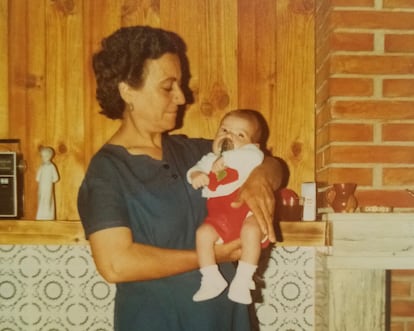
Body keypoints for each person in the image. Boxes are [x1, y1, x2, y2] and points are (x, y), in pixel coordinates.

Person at [77, 25, 283, 331]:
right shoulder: (108, 171)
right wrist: (211, 256)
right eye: (167, 86)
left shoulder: (194, 152)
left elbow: (272, 164)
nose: (181, 96)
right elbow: (115, 264)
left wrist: (262, 177)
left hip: (227, 320)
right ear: (127, 90)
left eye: (181, 85)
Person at [188, 109, 269, 304]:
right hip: (219, 218)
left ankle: (243, 279)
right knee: (203, 234)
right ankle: (210, 278)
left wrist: (228, 159)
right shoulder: (209, 159)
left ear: (253, 144)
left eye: (240, 134)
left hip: (245, 213)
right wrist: (196, 176)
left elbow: (256, 158)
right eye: (224, 130)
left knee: (251, 230)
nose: (229, 136)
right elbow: (195, 168)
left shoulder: (249, 155)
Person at [36, 146, 59, 220]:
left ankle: (48, 216)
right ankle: (41, 216)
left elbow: (56, 178)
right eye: (42, 156)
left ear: (49, 156)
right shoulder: (41, 166)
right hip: (42, 187)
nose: (43, 158)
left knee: (48, 201)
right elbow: (37, 178)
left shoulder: (52, 167)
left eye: (45, 156)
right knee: (41, 199)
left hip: (48, 188)